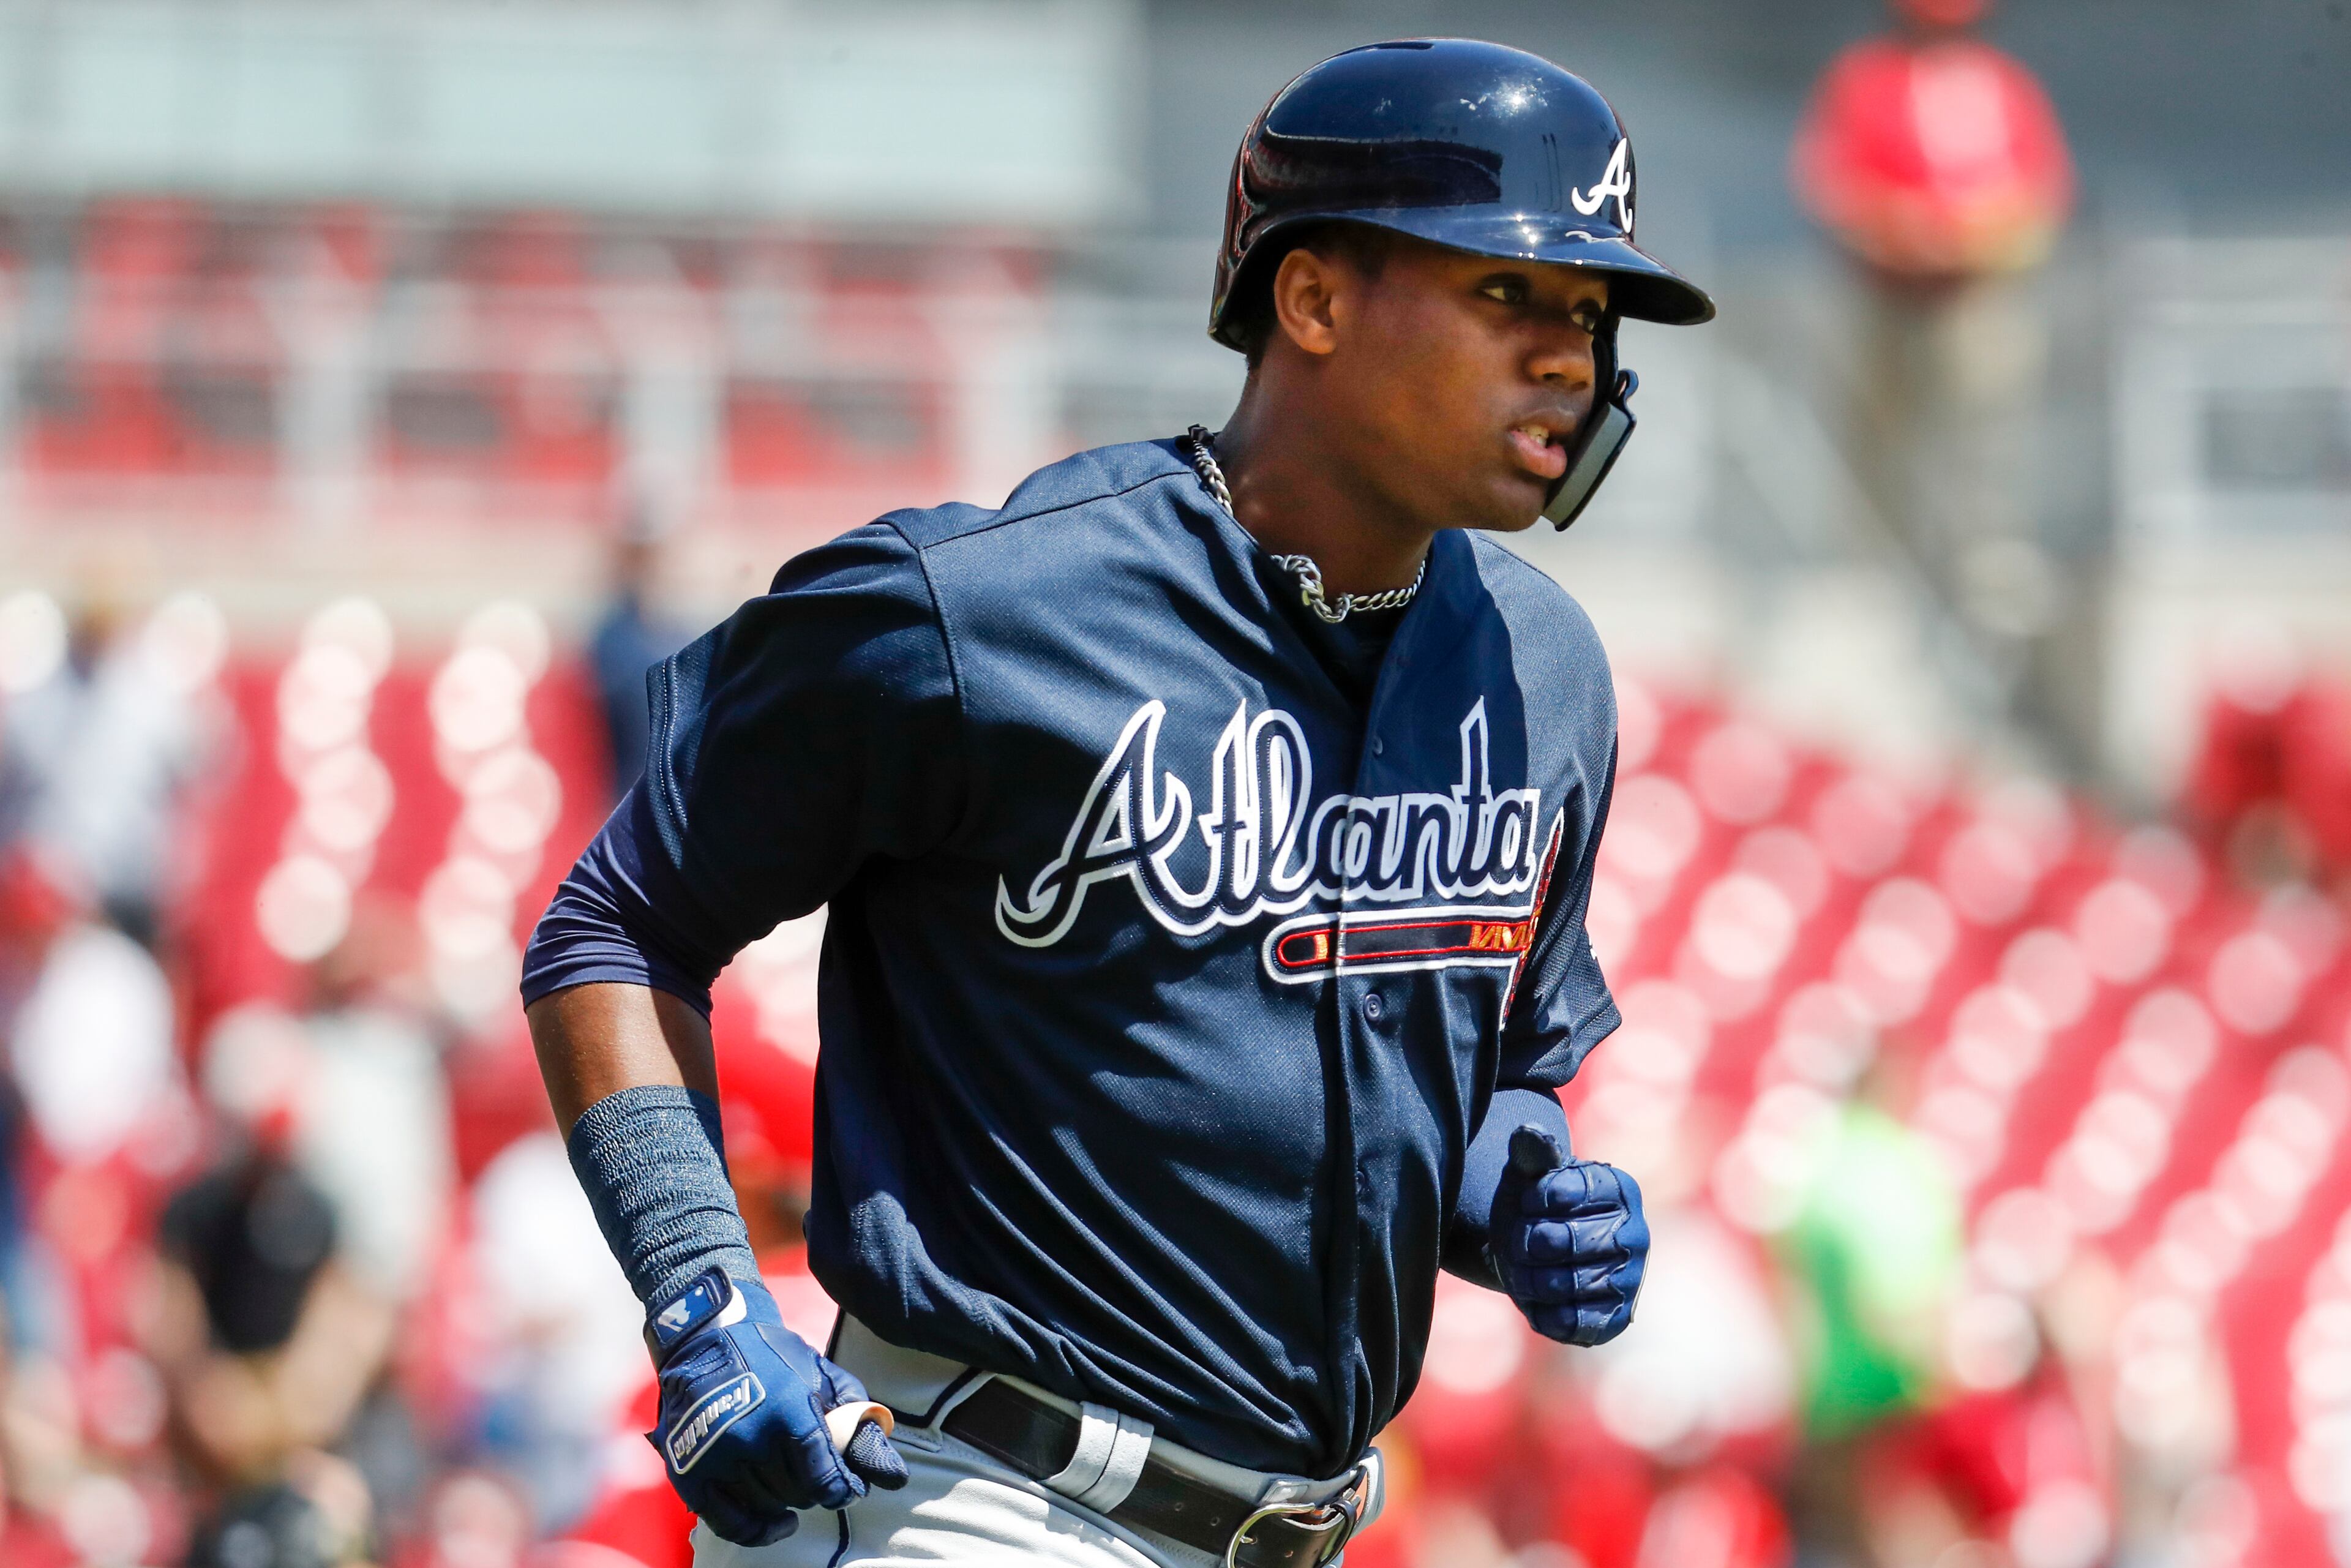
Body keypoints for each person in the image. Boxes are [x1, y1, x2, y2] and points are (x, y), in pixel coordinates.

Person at [522, 38, 1712, 1567]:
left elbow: (1498, 1084)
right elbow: (616, 924)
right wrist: (700, 1292)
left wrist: (1518, 1195)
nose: (1571, 354)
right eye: (1509, 295)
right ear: (1316, 300)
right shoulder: (984, 611)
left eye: (1590, 313)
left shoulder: (1542, 670)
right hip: (973, 1493)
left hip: (1305, 1525)